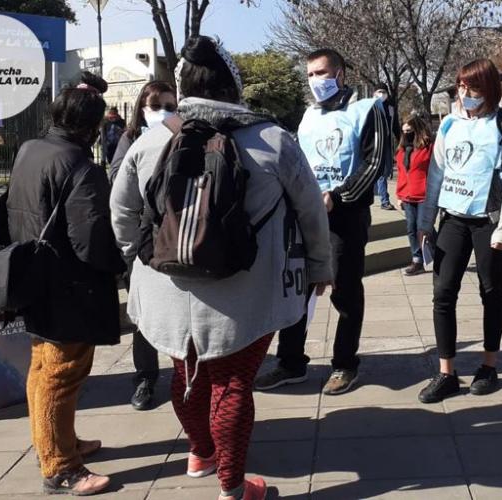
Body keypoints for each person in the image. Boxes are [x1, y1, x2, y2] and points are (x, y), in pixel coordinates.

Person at [110, 36, 333, 500]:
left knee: (185, 375)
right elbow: (311, 210)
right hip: (246, 291)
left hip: (166, 286)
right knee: (231, 385)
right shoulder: (273, 139)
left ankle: (199, 453)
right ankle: (232, 487)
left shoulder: (151, 140)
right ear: (233, 86)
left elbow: (121, 211)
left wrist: (135, 259)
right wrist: (318, 265)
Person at [8, 71, 125, 495]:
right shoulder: (81, 166)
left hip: (34, 278)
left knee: (42, 368)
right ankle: (60, 466)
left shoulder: (30, 149)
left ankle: (58, 441)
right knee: (60, 374)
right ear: (92, 127)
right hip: (69, 288)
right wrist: (119, 265)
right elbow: (90, 239)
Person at [254, 48, 391, 396]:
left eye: (322, 73)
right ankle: (290, 362)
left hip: (344, 217)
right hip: (304, 215)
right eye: (311, 75)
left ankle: (345, 364)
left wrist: (338, 195)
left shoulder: (366, 111)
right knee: (297, 288)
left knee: (344, 291)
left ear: (340, 74)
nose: (316, 81)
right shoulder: (309, 116)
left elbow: (375, 164)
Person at [415, 59, 502, 403]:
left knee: (490, 292)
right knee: (443, 293)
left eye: (473, 88)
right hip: (453, 218)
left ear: (489, 89)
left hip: (488, 220)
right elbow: (436, 175)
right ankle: (446, 372)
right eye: (461, 86)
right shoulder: (449, 124)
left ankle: (488, 366)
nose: (465, 93)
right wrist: (425, 222)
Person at [107, 80, 177, 411]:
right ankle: (145, 377)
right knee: (143, 318)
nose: (164, 112)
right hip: (142, 245)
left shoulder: (183, 134)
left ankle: (185, 376)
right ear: (142, 109)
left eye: (170, 105)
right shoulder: (131, 140)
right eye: (156, 105)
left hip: (177, 241)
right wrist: (130, 249)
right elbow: (120, 194)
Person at [396, 114, 434, 276]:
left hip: (425, 194)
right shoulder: (402, 150)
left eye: (410, 130)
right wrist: (399, 194)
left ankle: (439, 253)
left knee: (423, 227)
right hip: (407, 195)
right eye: (404, 131)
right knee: (411, 228)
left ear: (417, 130)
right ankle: (417, 259)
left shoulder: (428, 147)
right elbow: (401, 173)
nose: (406, 134)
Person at [373, 83, 401, 211]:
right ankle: (385, 200)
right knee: (383, 173)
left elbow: (395, 125)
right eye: (379, 91)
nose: (382, 94)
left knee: (388, 170)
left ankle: (377, 192)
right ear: (374, 93)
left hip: (388, 144)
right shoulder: (371, 107)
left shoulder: (391, 107)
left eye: (384, 91)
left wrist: (401, 140)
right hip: (375, 144)